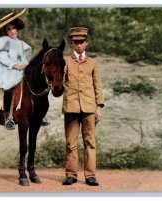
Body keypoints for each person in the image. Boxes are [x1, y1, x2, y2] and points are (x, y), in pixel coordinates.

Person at [62, 27, 104, 186]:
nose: (78, 45)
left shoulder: (92, 63)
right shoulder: (65, 61)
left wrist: (99, 106)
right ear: (71, 44)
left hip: (89, 108)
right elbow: (60, 79)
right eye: (75, 42)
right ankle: (71, 175)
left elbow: (97, 85)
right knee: (70, 143)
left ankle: (90, 175)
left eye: (81, 42)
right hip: (71, 106)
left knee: (90, 142)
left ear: (86, 43)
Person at [0, 9, 32, 130]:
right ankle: (8, 117)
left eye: (13, 28)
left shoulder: (24, 45)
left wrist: (25, 65)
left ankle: (37, 112)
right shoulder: (4, 42)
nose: (12, 31)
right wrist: (15, 65)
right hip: (6, 69)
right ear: (5, 32)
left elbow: (25, 59)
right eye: (8, 29)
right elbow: (3, 58)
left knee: (33, 83)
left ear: (18, 29)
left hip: (21, 69)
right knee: (9, 86)